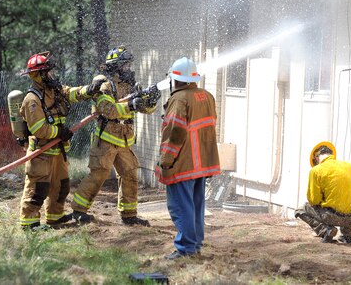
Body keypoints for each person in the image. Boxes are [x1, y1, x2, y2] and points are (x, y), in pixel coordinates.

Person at [70, 46, 158, 226]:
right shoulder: (105, 85)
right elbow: (108, 110)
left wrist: (151, 102)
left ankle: (129, 215)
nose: (128, 69)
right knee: (99, 175)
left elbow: (145, 109)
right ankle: (79, 211)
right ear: (116, 67)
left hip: (125, 141)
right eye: (125, 65)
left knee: (130, 175)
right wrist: (131, 105)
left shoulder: (129, 86)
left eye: (128, 65)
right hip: (106, 139)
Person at [19, 51, 103, 230]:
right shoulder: (32, 99)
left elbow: (71, 93)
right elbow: (39, 129)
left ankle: (55, 217)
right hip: (41, 153)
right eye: (48, 72)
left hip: (58, 150)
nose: (52, 75)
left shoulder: (54, 91)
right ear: (39, 75)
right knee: (37, 189)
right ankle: (29, 223)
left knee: (61, 186)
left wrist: (90, 89)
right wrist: (60, 132)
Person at [155, 57, 221, 259]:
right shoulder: (207, 96)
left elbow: (174, 133)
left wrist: (165, 161)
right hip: (202, 162)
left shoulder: (179, 99)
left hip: (183, 164)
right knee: (196, 205)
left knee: (181, 207)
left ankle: (186, 249)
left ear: (175, 79)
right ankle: (195, 244)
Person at [295, 141, 351, 243]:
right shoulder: (348, 166)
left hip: (332, 218)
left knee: (300, 210)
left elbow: (314, 200)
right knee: (347, 200)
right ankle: (347, 235)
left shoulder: (316, 171)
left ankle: (326, 230)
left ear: (317, 158)